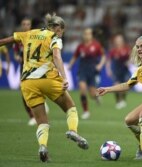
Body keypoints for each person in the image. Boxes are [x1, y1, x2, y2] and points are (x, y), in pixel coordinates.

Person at [0, 13, 89, 162]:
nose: (61, 34)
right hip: (47, 78)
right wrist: (65, 77)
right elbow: (56, 57)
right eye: (61, 31)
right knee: (70, 107)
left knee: (42, 121)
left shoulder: (29, 33)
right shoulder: (54, 38)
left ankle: (42, 146)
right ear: (57, 28)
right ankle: (73, 130)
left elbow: (5, 41)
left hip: (27, 83)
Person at [13, 17, 50, 126]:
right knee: (24, 94)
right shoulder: (19, 39)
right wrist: (17, 57)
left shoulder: (37, 37)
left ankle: (42, 111)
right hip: (24, 68)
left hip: (37, 67)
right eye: (23, 24)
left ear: (31, 25)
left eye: (27, 24)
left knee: (39, 88)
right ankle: (32, 117)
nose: (25, 26)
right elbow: (15, 53)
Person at [68, 28, 106, 119]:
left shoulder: (96, 45)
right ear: (83, 35)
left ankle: (96, 97)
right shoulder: (80, 46)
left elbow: (104, 56)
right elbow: (75, 57)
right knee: (83, 89)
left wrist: (100, 65)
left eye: (89, 34)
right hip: (82, 71)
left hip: (92, 71)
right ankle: (86, 111)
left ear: (91, 35)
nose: (87, 35)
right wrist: (69, 65)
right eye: (85, 34)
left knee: (92, 94)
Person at [106, 34, 130, 109]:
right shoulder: (113, 51)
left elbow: (132, 57)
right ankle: (118, 101)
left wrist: (129, 62)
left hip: (124, 71)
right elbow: (108, 61)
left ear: (122, 41)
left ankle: (123, 100)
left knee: (125, 87)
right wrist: (108, 70)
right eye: (117, 40)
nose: (118, 42)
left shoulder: (126, 49)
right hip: (116, 71)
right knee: (116, 86)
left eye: (120, 40)